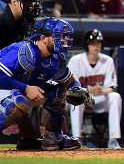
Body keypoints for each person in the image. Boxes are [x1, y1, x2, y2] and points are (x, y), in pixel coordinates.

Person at [0, 17, 89, 151]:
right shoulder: (23, 51)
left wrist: (76, 88)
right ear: (43, 38)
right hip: (5, 90)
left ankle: (52, 138)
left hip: (17, 92)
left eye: (65, 36)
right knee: (18, 101)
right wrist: (26, 88)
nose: (64, 40)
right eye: (58, 36)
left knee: (59, 91)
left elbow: (69, 80)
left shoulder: (55, 58)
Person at [0, 0, 42, 149]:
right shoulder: (2, 23)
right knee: (19, 97)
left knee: (37, 88)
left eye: (34, 4)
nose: (32, 7)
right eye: (28, 3)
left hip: (7, 77)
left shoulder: (24, 25)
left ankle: (29, 138)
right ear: (15, 2)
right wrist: (24, 87)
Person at [68, 29, 122, 149]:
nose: (96, 46)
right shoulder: (75, 61)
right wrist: (87, 91)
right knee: (75, 101)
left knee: (115, 97)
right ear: (87, 45)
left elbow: (112, 87)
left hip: (100, 99)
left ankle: (113, 140)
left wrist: (102, 91)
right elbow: (70, 87)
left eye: (98, 43)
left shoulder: (108, 61)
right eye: (93, 43)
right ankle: (77, 139)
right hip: (82, 99)